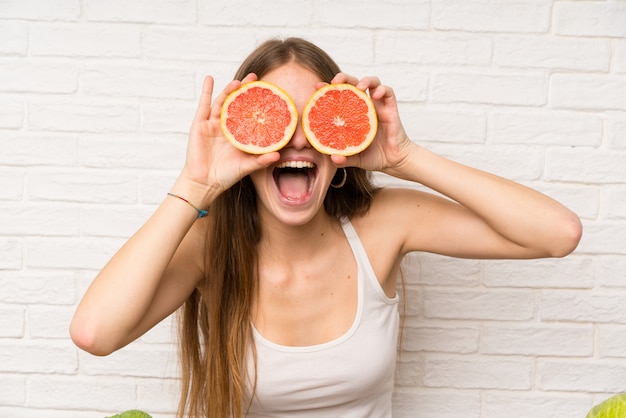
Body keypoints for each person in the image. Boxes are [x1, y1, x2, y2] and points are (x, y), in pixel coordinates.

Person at [70, 37, 582, 418]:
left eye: (314, 117)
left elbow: (557, 233)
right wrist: (195, 186)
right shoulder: (209, 245)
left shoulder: (382, 225)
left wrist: (404, 157)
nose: (296, 141)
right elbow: (94, 333)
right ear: (242, 135)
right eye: (275, 120)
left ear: (343, 136)